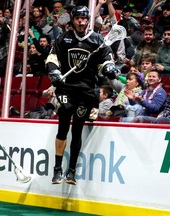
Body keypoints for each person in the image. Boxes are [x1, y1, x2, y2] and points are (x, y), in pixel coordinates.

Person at [45, 6, 119, 185]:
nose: (80, 21)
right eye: (77, 18)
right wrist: (54, 72)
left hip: (86, 91)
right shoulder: (63, 39)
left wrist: (108, 67)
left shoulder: (97, 40)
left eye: (83, 18)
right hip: (66, 90)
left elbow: (106, 60)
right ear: (73, 20)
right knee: (63, 128)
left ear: (88, 21)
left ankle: (71, 171)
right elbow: (52, 58)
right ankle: (57, 169)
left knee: (77, 131)